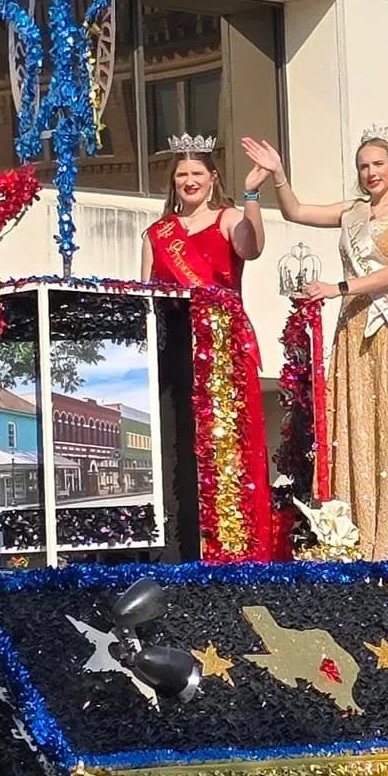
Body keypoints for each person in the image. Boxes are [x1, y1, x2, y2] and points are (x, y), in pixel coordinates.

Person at [243, 130, 388, 562]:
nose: (370, 172)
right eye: (363, 166)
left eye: (378, 164)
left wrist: (335, 287)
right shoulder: (353, 212)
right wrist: (276, 175)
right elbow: (296, 211)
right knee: (358, 425)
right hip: (354, 331)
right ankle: (359, 528)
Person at [140, 135, 274, 560]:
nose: (190, 180)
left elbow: (251, 248)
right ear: (173, 183)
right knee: (175, 446)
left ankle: (232, 548)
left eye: (198, 173)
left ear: (213, 180)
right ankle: (178, 549)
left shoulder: (229, 218)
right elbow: (146, 295)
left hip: (221, 350)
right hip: (172, 348)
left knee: (227, 448)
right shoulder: (156, 234)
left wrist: (252, 193)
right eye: (182, 174)